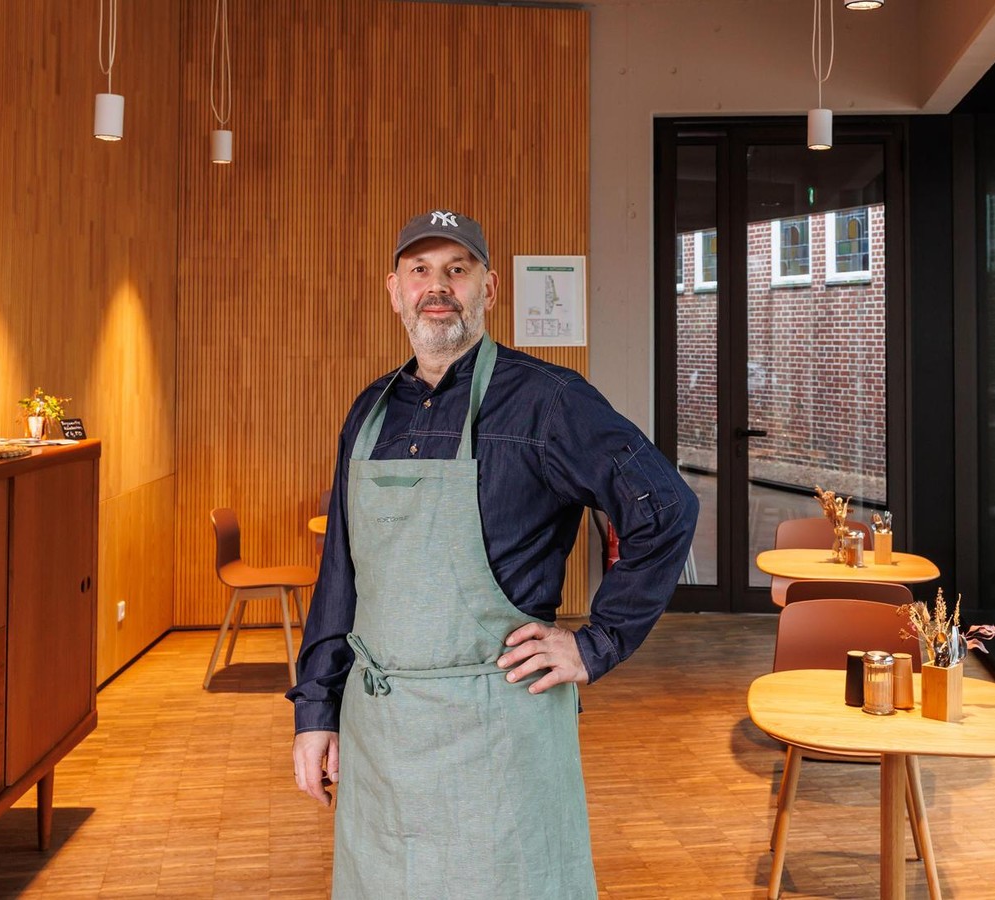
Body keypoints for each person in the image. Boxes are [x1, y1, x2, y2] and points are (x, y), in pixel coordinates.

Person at [287, 209, 697, 898]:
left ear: (490, 288)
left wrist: (596, 644)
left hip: (498, 734)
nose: (437, 287)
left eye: (458, 269)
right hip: (383, 733)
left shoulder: (548, 401)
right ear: (395, 291)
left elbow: (667, 508)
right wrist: (315, 712)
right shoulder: (368, 414)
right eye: (421, 271)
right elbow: (341, 579)